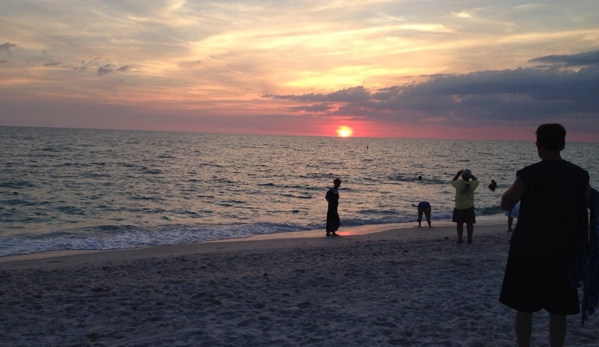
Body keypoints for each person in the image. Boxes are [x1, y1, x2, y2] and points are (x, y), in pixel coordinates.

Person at [499, 123, 592, 347]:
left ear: (538, 145)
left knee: (524, 307)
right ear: (563, 144)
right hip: (564, 250)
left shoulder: (529, 174)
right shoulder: (579, 176)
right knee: (558, 310)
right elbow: (591, 203)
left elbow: (506, 202)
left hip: (528, 249)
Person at [451, 169, 479, 244]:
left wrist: (458, 174)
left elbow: (452, 181)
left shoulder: (459, 183)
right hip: (469, 206)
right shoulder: (472, 184)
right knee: (470, 224)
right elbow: (476, 181)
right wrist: (471, 175)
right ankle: (469, 239)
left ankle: (460, 239)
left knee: (459, 224)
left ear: (462, 176)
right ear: (469, 177)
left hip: (459, 206)